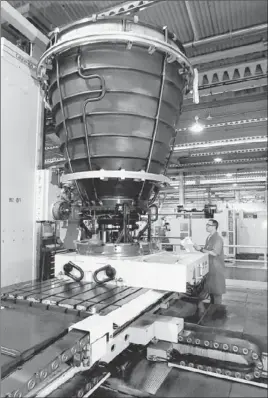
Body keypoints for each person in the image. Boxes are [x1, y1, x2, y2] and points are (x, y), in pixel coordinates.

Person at [193, 219, 226, 305]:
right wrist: (199, 249)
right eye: (206, 225)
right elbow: (206, 250)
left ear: (214, 227)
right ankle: (212, 307)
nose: (206, 226)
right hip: (210, 267)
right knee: (211, 290)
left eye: (208, 225)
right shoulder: (209, 238)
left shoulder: (218, 239)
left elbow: (215, 253)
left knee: (217, 292)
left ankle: (218, 311)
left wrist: (201, 249)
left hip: (216, 268)